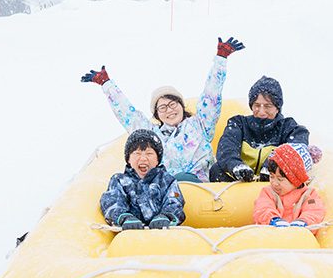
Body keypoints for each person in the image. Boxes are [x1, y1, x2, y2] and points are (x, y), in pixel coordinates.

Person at [81, 36, 245, 182]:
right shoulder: (152, 135)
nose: (169, 110)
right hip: (165, 193)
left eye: (173, 104)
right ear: (157, 115)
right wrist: (107, 84)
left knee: (185, 178)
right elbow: (128, 115)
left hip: (200, 189)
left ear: (181, 105)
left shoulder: (200, 124)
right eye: (162, 108)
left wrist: (221, 59)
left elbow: (211, 95)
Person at [209, 76, 309, 182]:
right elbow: (227, 148)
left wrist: (271, 166)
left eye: (268, 106)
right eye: (257, 105)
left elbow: (297, 144)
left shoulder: (288, 127)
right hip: (240, 183)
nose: (261, 112)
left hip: (274, 182)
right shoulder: (238, 124)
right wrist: (236, 166)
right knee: (216, 169)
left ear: (277, 108)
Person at [100, 130, 186, 230]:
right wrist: (124, 217)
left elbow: (175, 201)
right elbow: (112, 201)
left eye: (149, 154)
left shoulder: (167, 180)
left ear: (158, 160)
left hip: (162, 234)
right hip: (131, 234)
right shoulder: (119, 180)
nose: (143, 159)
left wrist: (166, 216)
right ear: (128, 159)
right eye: (137, 153)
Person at [252, 143, 325, 229]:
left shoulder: (309, 196)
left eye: (280, 179)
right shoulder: (268, 193)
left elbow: (314, 210)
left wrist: (303, 221)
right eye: (272, 176)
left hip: (297, 237)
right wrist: (273, 220)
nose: (274, 183)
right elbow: (263, 207)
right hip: (270, 235)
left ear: (296, 180)